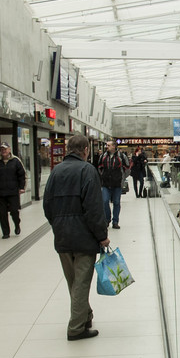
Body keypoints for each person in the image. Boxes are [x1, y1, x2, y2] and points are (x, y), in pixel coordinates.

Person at [43, 135, 109, 341]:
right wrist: (102, 236)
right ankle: (76, 328)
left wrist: (58, 224)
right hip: (84, 238)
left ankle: (85, 315)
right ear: (85, 150)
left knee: (73, 281)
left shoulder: (56, 171)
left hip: (62, 237)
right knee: (81, 282)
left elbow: (47, 205)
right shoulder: (87, 170)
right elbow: (93, 208)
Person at [0, 142, 27, 239]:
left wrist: (22, 187)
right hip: (1, 192)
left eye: (5, 149)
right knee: (2, 213)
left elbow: (22, 175)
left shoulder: (16, 161)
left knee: (14, 211)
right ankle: (6, 232)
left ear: (9, 150)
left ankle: (17, 224)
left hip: (13, 191)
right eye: (2, 149)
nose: (3, 151)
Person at [96, 140, 128, 230]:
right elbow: (99, 167)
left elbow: (127, 167)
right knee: (105, 201)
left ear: (114, 146)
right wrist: (103, 176)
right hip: (106, 184)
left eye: (109, 145)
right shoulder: (103, 156)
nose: (107, 146)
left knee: (116, 202)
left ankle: (115, 221)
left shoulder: (121, 156)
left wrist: (122, 177)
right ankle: (107, 219)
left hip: (117, 184)